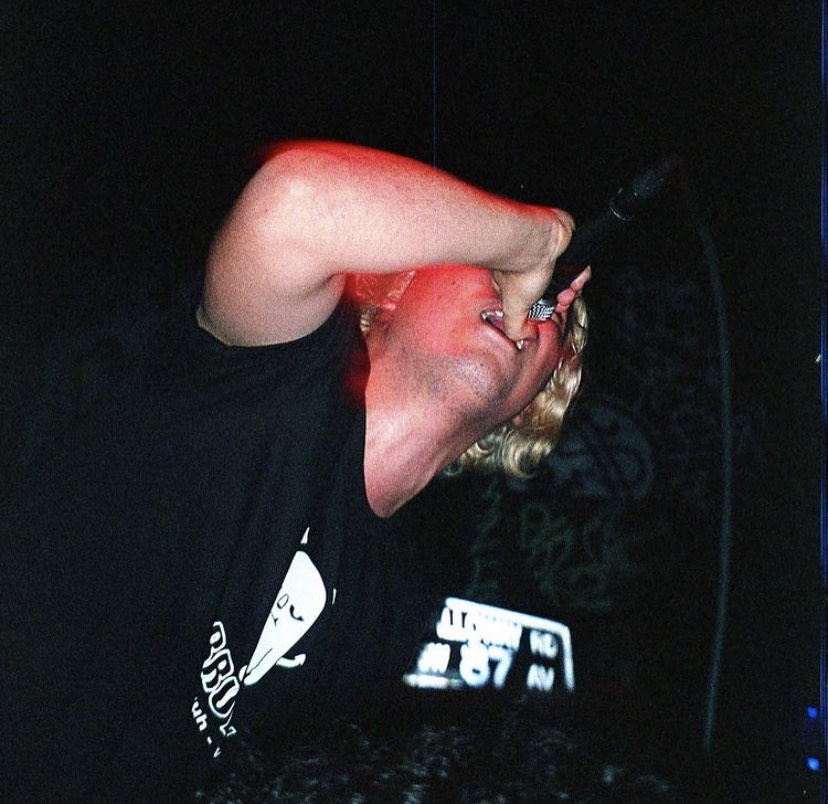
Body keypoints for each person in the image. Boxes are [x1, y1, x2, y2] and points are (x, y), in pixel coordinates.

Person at [1, 141, 588, 802]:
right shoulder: (280, 375)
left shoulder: (399, 609)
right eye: (491, 267)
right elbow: (296, 203)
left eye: (554, 312)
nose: (531, 301)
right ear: (392, 292)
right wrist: (534, 240)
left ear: (531, 401)